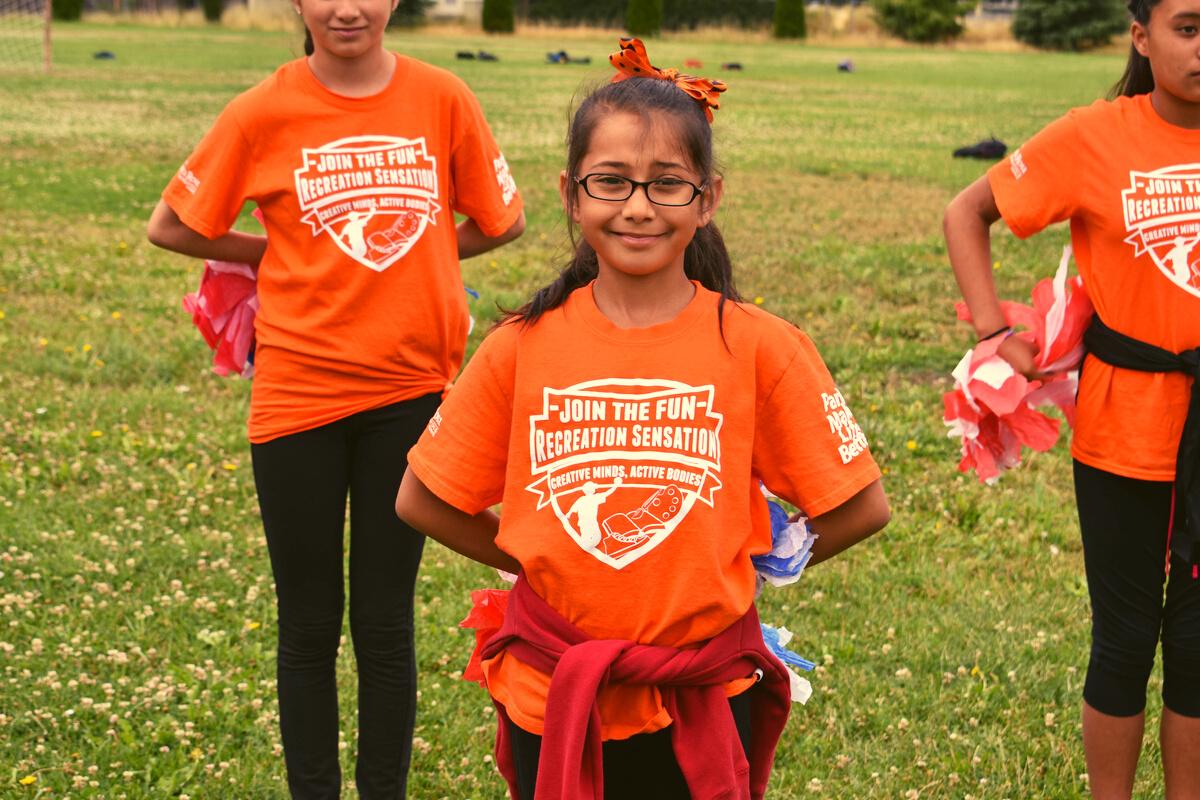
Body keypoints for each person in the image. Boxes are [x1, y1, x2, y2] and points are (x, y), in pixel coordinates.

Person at [395, 38, 889, 800]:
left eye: (667, 185)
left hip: (700, 694)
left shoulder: (760, 347)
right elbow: (422, 498)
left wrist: (745, 568)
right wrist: (532, 561)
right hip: (554, 695)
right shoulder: (520, 347)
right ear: (571, 194)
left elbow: (859, 506)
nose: (637, 207)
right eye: (611, 181)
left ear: (708, 198)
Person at [145, 0, 525, 795]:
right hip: (298, 396)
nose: (346, 8)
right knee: (309, 622)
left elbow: (502, 220)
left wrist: (422, 250)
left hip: (410, 393)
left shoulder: (443, 98)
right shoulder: (261, 110)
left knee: (384, 621)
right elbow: (172, 225)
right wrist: (275, 249)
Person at [943, 2, 1200, 797]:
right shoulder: (1095, 136)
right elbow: (967, 212)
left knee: (1198, 647)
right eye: (1189, 26)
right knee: (1125, 639)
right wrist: (993, 333)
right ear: (1141, 35)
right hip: (1124, 431)